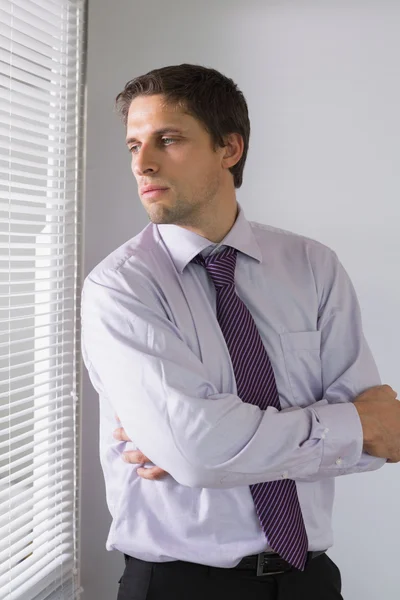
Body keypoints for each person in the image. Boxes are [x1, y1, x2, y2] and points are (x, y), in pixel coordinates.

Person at [80, 64, 400, 600]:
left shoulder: (312, 266)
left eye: (169, 139)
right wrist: (340, 428)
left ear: (229, 148)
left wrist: (214, 445)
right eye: (133, 144)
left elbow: (381, 436)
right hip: (179, 586)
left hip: (309, 581)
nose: (143, 162)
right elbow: (201, 452)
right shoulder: (120, 287)